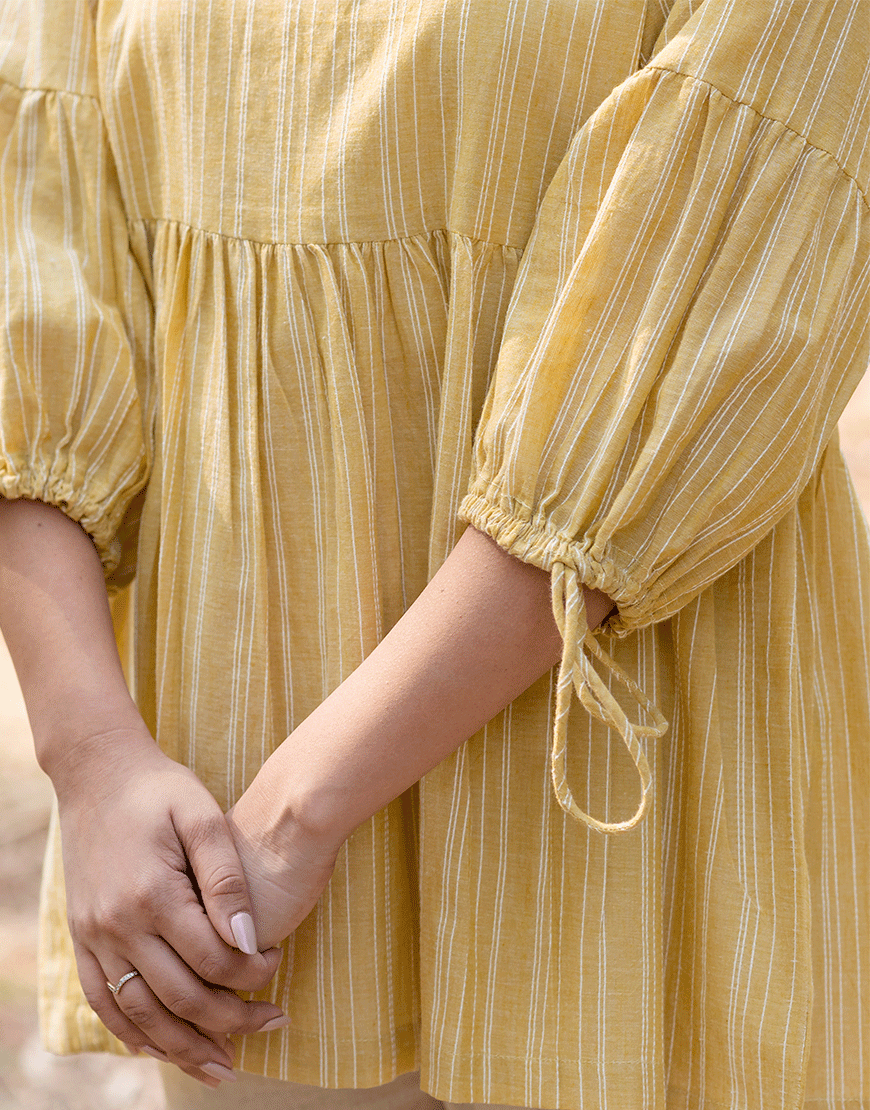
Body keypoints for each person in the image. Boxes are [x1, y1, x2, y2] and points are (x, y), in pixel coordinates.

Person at [0, 0, 867, 1108]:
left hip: (617, 809)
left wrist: (299, 811)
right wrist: (92, 757)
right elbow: (32, 288)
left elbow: (691, 340)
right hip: (241, 877)